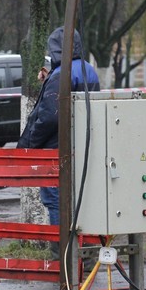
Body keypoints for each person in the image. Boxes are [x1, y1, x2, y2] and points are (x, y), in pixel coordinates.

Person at [16, 26, 100, 260]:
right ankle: (88, 251)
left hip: (55, 149)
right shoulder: (88, 70)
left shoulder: (60, 75)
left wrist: (32, 142)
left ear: (56, 49)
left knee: (55, 201)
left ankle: (61, 255)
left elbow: (50, 116)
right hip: (82, 147)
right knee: (82, 199)